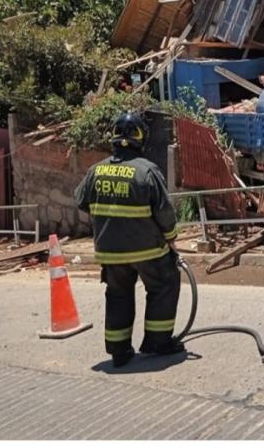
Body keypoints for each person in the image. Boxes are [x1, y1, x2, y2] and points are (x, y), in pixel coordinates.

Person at [75, 111, 183, 367]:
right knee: (164, 284)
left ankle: (119, 350)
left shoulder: (95, 171)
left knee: (118, 294)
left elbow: (81, 201)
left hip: (110, 253)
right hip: (148, 251)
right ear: (140, 139)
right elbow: (164, 212)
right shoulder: (147, 171)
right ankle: (157, 342)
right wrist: (171, 239)